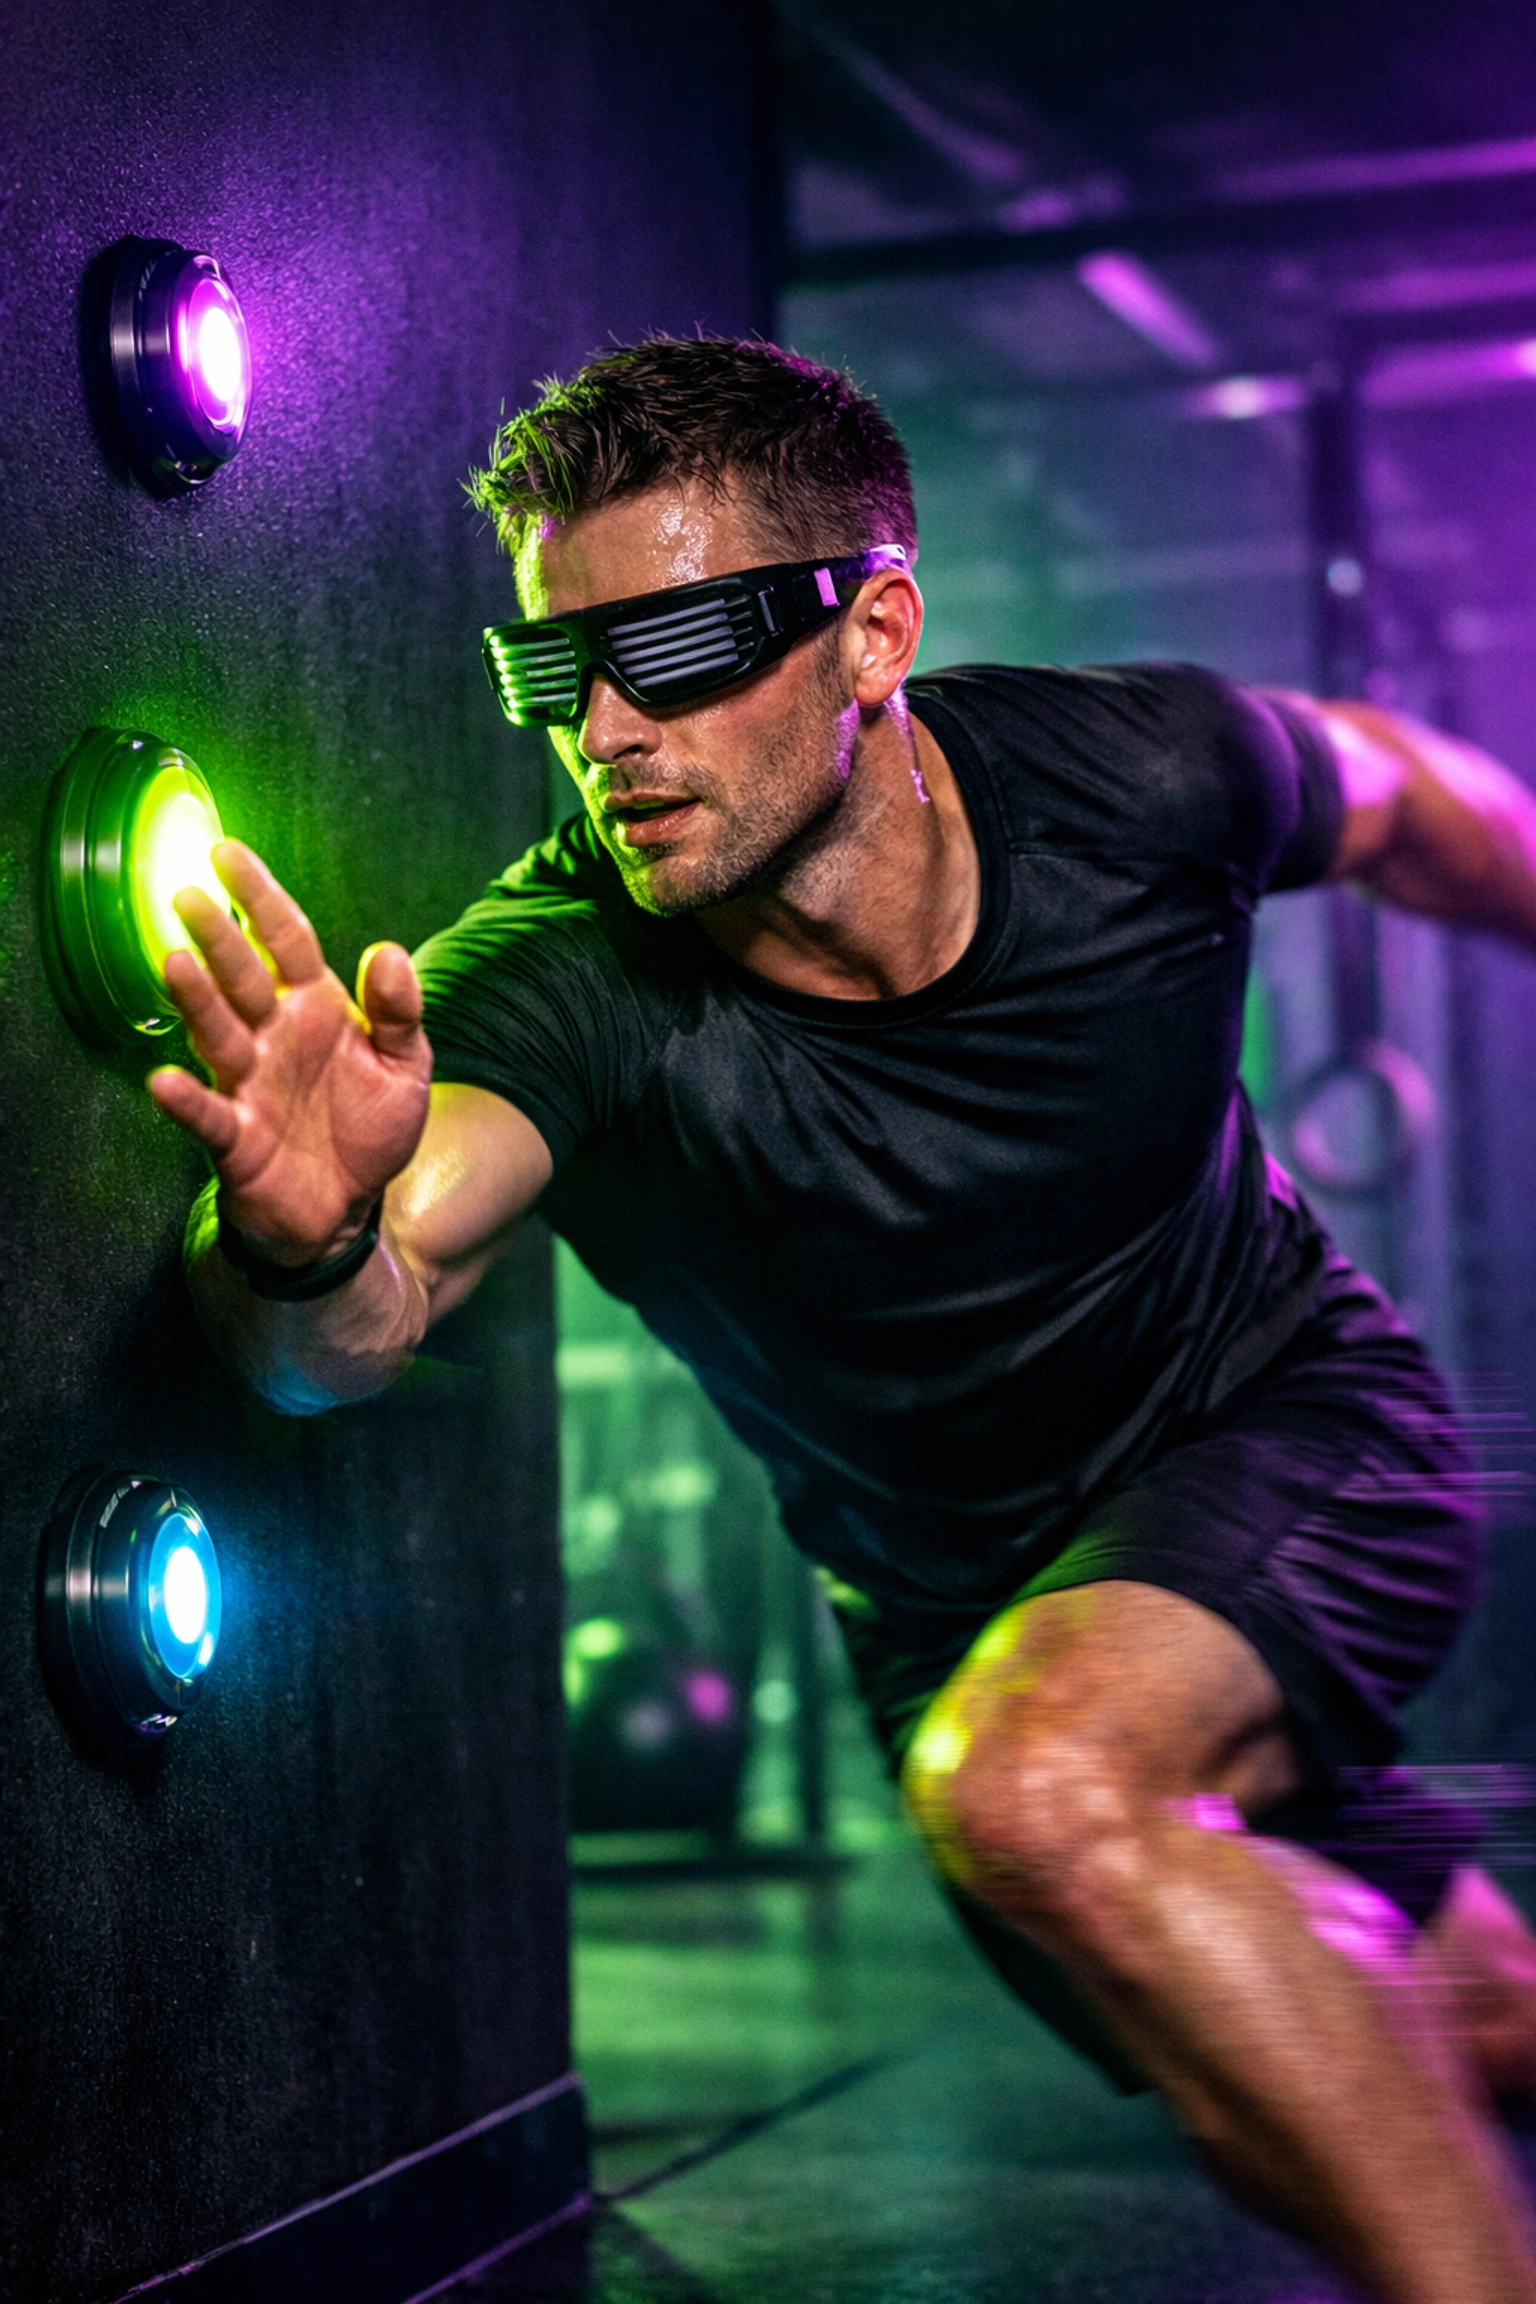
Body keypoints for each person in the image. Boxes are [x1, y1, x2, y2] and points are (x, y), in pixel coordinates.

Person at [150, 338, 1536, 2304]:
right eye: (555, 671)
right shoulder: (562, 980)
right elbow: (344, 1338)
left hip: (1290, 1437)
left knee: (1049, 1794)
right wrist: (298, 1242)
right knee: (1409, 2037)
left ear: (873, 631)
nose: (606, 730)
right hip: (962, 1619)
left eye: (675, 646)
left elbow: (1407, 799)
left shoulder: (1133, 777)